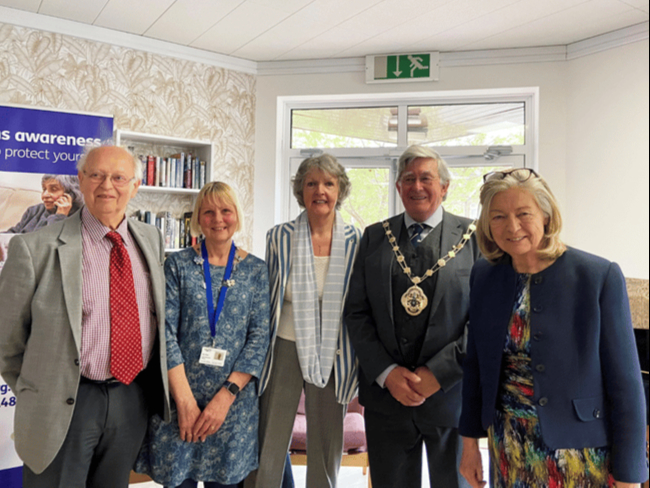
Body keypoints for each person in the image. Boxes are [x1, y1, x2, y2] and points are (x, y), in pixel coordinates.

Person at [459, 168, 648, 488]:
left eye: (523, 214)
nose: (512, 226)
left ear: (546, 215)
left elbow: (626, 384)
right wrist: (468, 446)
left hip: (580, 454)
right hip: (509, 447)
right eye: (499, 217)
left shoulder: (598, 275)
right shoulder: (485, 275)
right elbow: (476, 366)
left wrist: (630, 475)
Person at [0, 145, 170, 487]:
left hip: (130, 396)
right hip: (64, 403)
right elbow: (6, 342)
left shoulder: (151, 240)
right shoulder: (34, 248)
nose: (107, 185)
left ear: (135, 186)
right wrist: (41, 389)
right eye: (97, 175)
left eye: (119, 177)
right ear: (81, 180)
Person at [345, 145, 480, 488]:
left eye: (426, 178)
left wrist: (439, 373)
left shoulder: (474, 239)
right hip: (387, 401)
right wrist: (387, 374)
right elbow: (357, 313)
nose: (417, 186)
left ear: (445, 186)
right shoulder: (375, 236)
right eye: (408, 179)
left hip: (450, 397)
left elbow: (483, 322)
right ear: (398, 187)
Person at [135, 181, 270, 488]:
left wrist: (225, 398)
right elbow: (164, 332)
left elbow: (259, 337)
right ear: (197, 219)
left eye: (226, 210)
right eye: (208, 212)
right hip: (181, 399)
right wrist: (184, 402)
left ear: (237, 215)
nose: (218, 219)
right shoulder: (177, 265)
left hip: (233, 407)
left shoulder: (256, 271)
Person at [245, 154, 361, 488]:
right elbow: (269, 296)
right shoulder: (278, 237)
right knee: (268, 441)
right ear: (301, 190)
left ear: (340, 190)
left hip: (333, 354)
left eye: (328, 183)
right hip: (283, 347)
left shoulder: (357, 241)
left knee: (326, 447)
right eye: (311, 183)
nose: (320, 190)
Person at [4, 174, 84, 233]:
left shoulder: (82, 219)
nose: (44, 195)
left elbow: (53, 247)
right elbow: (14, 232)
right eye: (44, 189)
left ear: (72, 194)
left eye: (53, 189)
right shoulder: (34, 210)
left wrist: (60, 216)